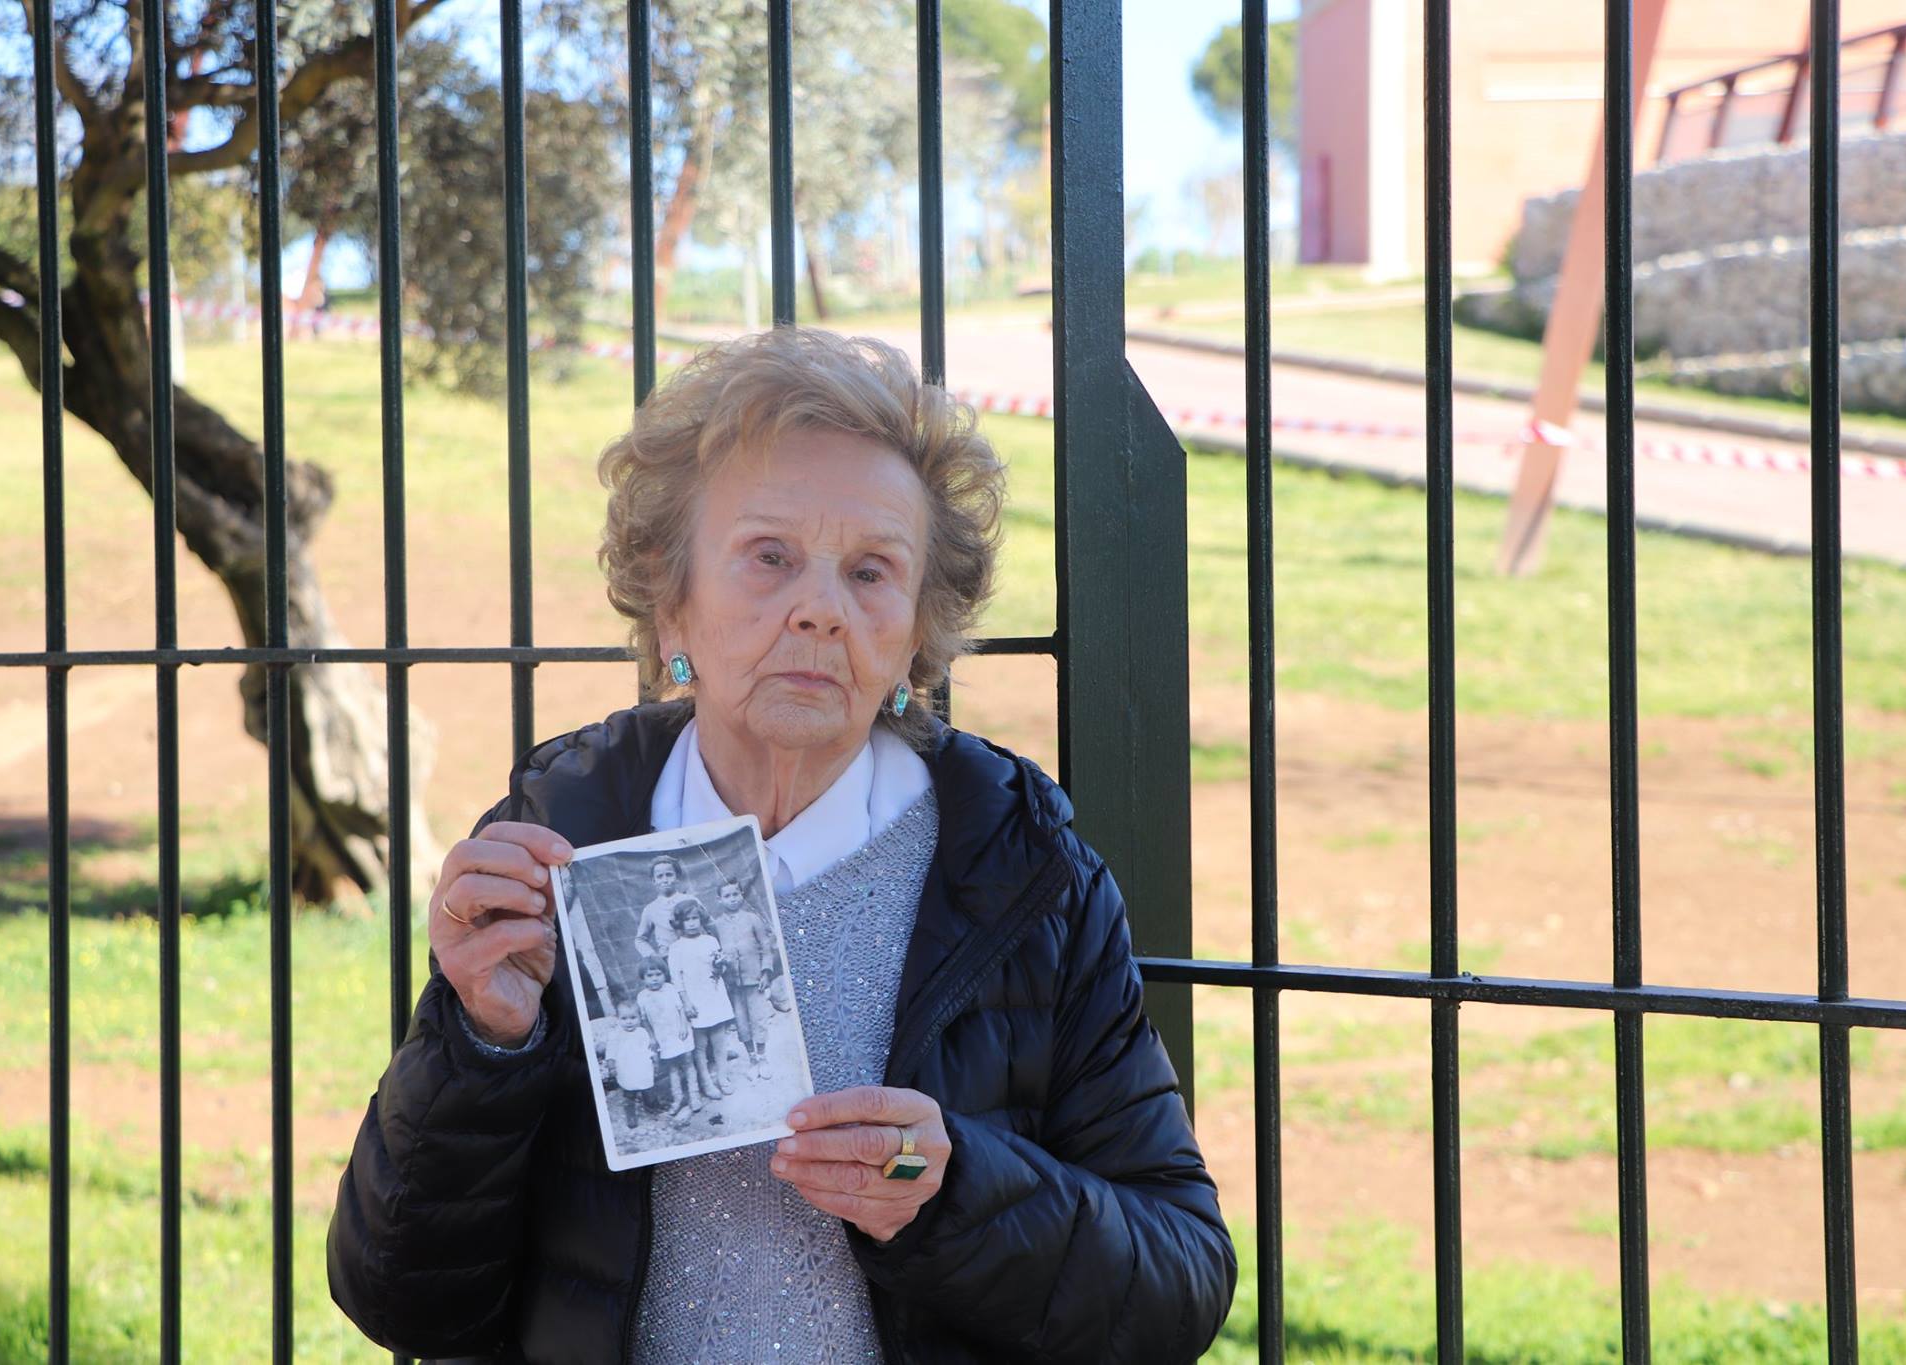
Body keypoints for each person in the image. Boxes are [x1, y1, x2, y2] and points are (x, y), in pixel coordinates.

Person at [329, 327, 1235, 1363]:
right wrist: (482, 1047)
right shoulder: (558, 846)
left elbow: (1179, 1283)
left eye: (869, 571)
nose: (818, 610)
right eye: (768, 558)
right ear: (672, 600)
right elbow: (399, 1297)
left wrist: (945, 1197)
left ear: (914, 635)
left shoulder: (1023, 877)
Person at [663, 897, 735, 1098]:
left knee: (720, 1041)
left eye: (695, 918)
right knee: (701, 1045)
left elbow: (717, 969)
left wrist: (722, 964)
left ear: (701, 919)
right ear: (680, 923)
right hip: (694, 1000)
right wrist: (686, 1003)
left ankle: (723, 1077)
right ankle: (706, 1082)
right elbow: (676, 979)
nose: (692, 923)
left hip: (714, 995)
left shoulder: (710, 940)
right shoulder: (676, 948)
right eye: (687, 920)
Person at [711, 875, 777, 1079]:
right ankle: (752, 1059)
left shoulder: (752, 919)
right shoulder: (716, 925)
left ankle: (763, 1057)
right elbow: (715, 951)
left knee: (758, 1020)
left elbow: (766, 946)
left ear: (741, 894)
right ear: (719, 899)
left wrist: (765, 971)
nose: (732, 899)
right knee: (741, 1023)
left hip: (754, 980)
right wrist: (720, 965)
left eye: (735, 894)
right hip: (733, 983)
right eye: (727, 896)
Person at [634, 956, 699, 1125]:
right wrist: (652, 1037)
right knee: (672, 1068)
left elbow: (681, 1010)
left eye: (658, 974)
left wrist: (684, 1026)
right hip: (663, 1037)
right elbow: (645, 1021)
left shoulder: (670, 989)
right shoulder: (642, 997)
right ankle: (678, 1098)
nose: (655, 978)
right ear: (643, 978)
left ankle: (694, 1094)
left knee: (688, 1063)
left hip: (679, 1033)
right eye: (650, 975)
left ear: (664, 975)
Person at [632, 854, 707, 959]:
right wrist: (654, 956)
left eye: (669, 875)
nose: (665, 880)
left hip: (698, 954)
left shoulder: (691, 900)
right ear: (654, 881)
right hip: (671, 959)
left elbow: (710, 925)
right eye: (660, 876)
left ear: (677, 877)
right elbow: (640, 940)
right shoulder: (651, 909)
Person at [604, 996, 658, 1130]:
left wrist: (655, 1061)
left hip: (643, 1067)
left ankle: (651, 1106)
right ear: (618, 1019)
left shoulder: (642, 1032)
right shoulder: (615, 1034)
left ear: (640, 1018)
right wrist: (611, 1066)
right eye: (624, 1018)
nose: (629, 1022)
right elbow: (610, 1051)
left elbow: (649, 1049)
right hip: (626, 1069)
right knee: (629, 1094)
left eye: (633, 1018)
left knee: (648, 1089)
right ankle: (631, 1114)